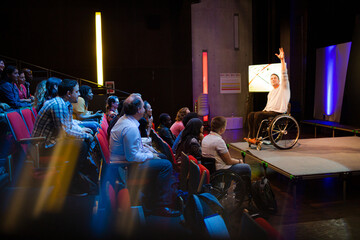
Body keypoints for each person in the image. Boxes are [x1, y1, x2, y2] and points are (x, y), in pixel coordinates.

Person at [109, 93, 180, 217]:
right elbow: (132, 157)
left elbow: (134, 150)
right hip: (125, 167)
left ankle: (152, 200)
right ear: (138, 110)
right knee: (166, 165)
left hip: (124, 163)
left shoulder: (126, 120)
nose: (145, 109)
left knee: (162, 158)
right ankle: (162, 205)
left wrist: (148, 153)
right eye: (143, 107)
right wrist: (149, 155)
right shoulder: (130, 127)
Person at [32, 79, 96, 195]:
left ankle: (76, 177)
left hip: (54, 142)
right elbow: (65, 133)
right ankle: (71, 183)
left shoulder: (66, 104)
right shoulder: (58, 105)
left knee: (83, 143)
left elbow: (69, 126)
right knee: (81, 145)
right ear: (68, 93)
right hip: (43, 146)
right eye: (77, 92)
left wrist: (82, 134)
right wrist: (85, 135)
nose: (79, 94)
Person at [245, 48, 290, 144]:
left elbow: (284, 73)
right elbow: (268, 106)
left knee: (258, 115)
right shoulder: (271, 92)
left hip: (278, 112)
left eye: (275, 78)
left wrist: (282, 60)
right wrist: (263, 111)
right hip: (269, 111)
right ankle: (253, 137)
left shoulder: (283, 88)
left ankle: (256, 138)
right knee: (251, 115)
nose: (273, 80)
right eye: (271, 78)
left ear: (279, 80)